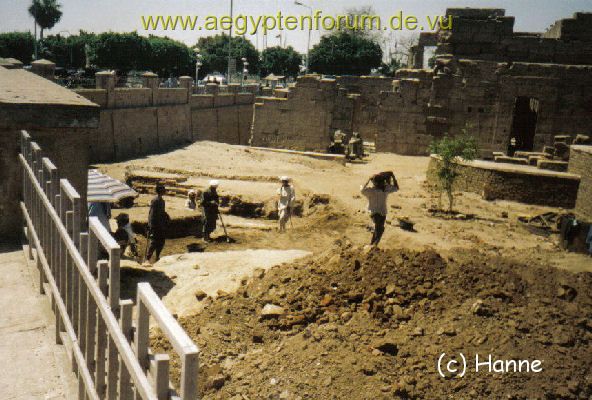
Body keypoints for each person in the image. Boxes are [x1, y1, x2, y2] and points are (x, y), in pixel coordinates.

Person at [360, 171, 399, 246]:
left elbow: (362, 189)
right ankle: (374, 245)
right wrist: (393, 177)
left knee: (380, 229)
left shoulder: (373, 190)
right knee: (379, 229)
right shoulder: (379, 190)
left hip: (382, 212)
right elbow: (396, 187)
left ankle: (372, 244)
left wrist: (368, 180)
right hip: (375, 212)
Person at [146, 183, 168, 263]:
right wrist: (150, 225)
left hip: (161, 224)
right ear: (160, 191)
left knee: (161, 241)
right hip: (155, 225)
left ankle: (157, 256)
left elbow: (162, 212)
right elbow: (151, 214)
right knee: (154, 242)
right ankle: (147, 258)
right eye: (163, 190)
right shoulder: (155, 200)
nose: (165, 191)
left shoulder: (162, 201)